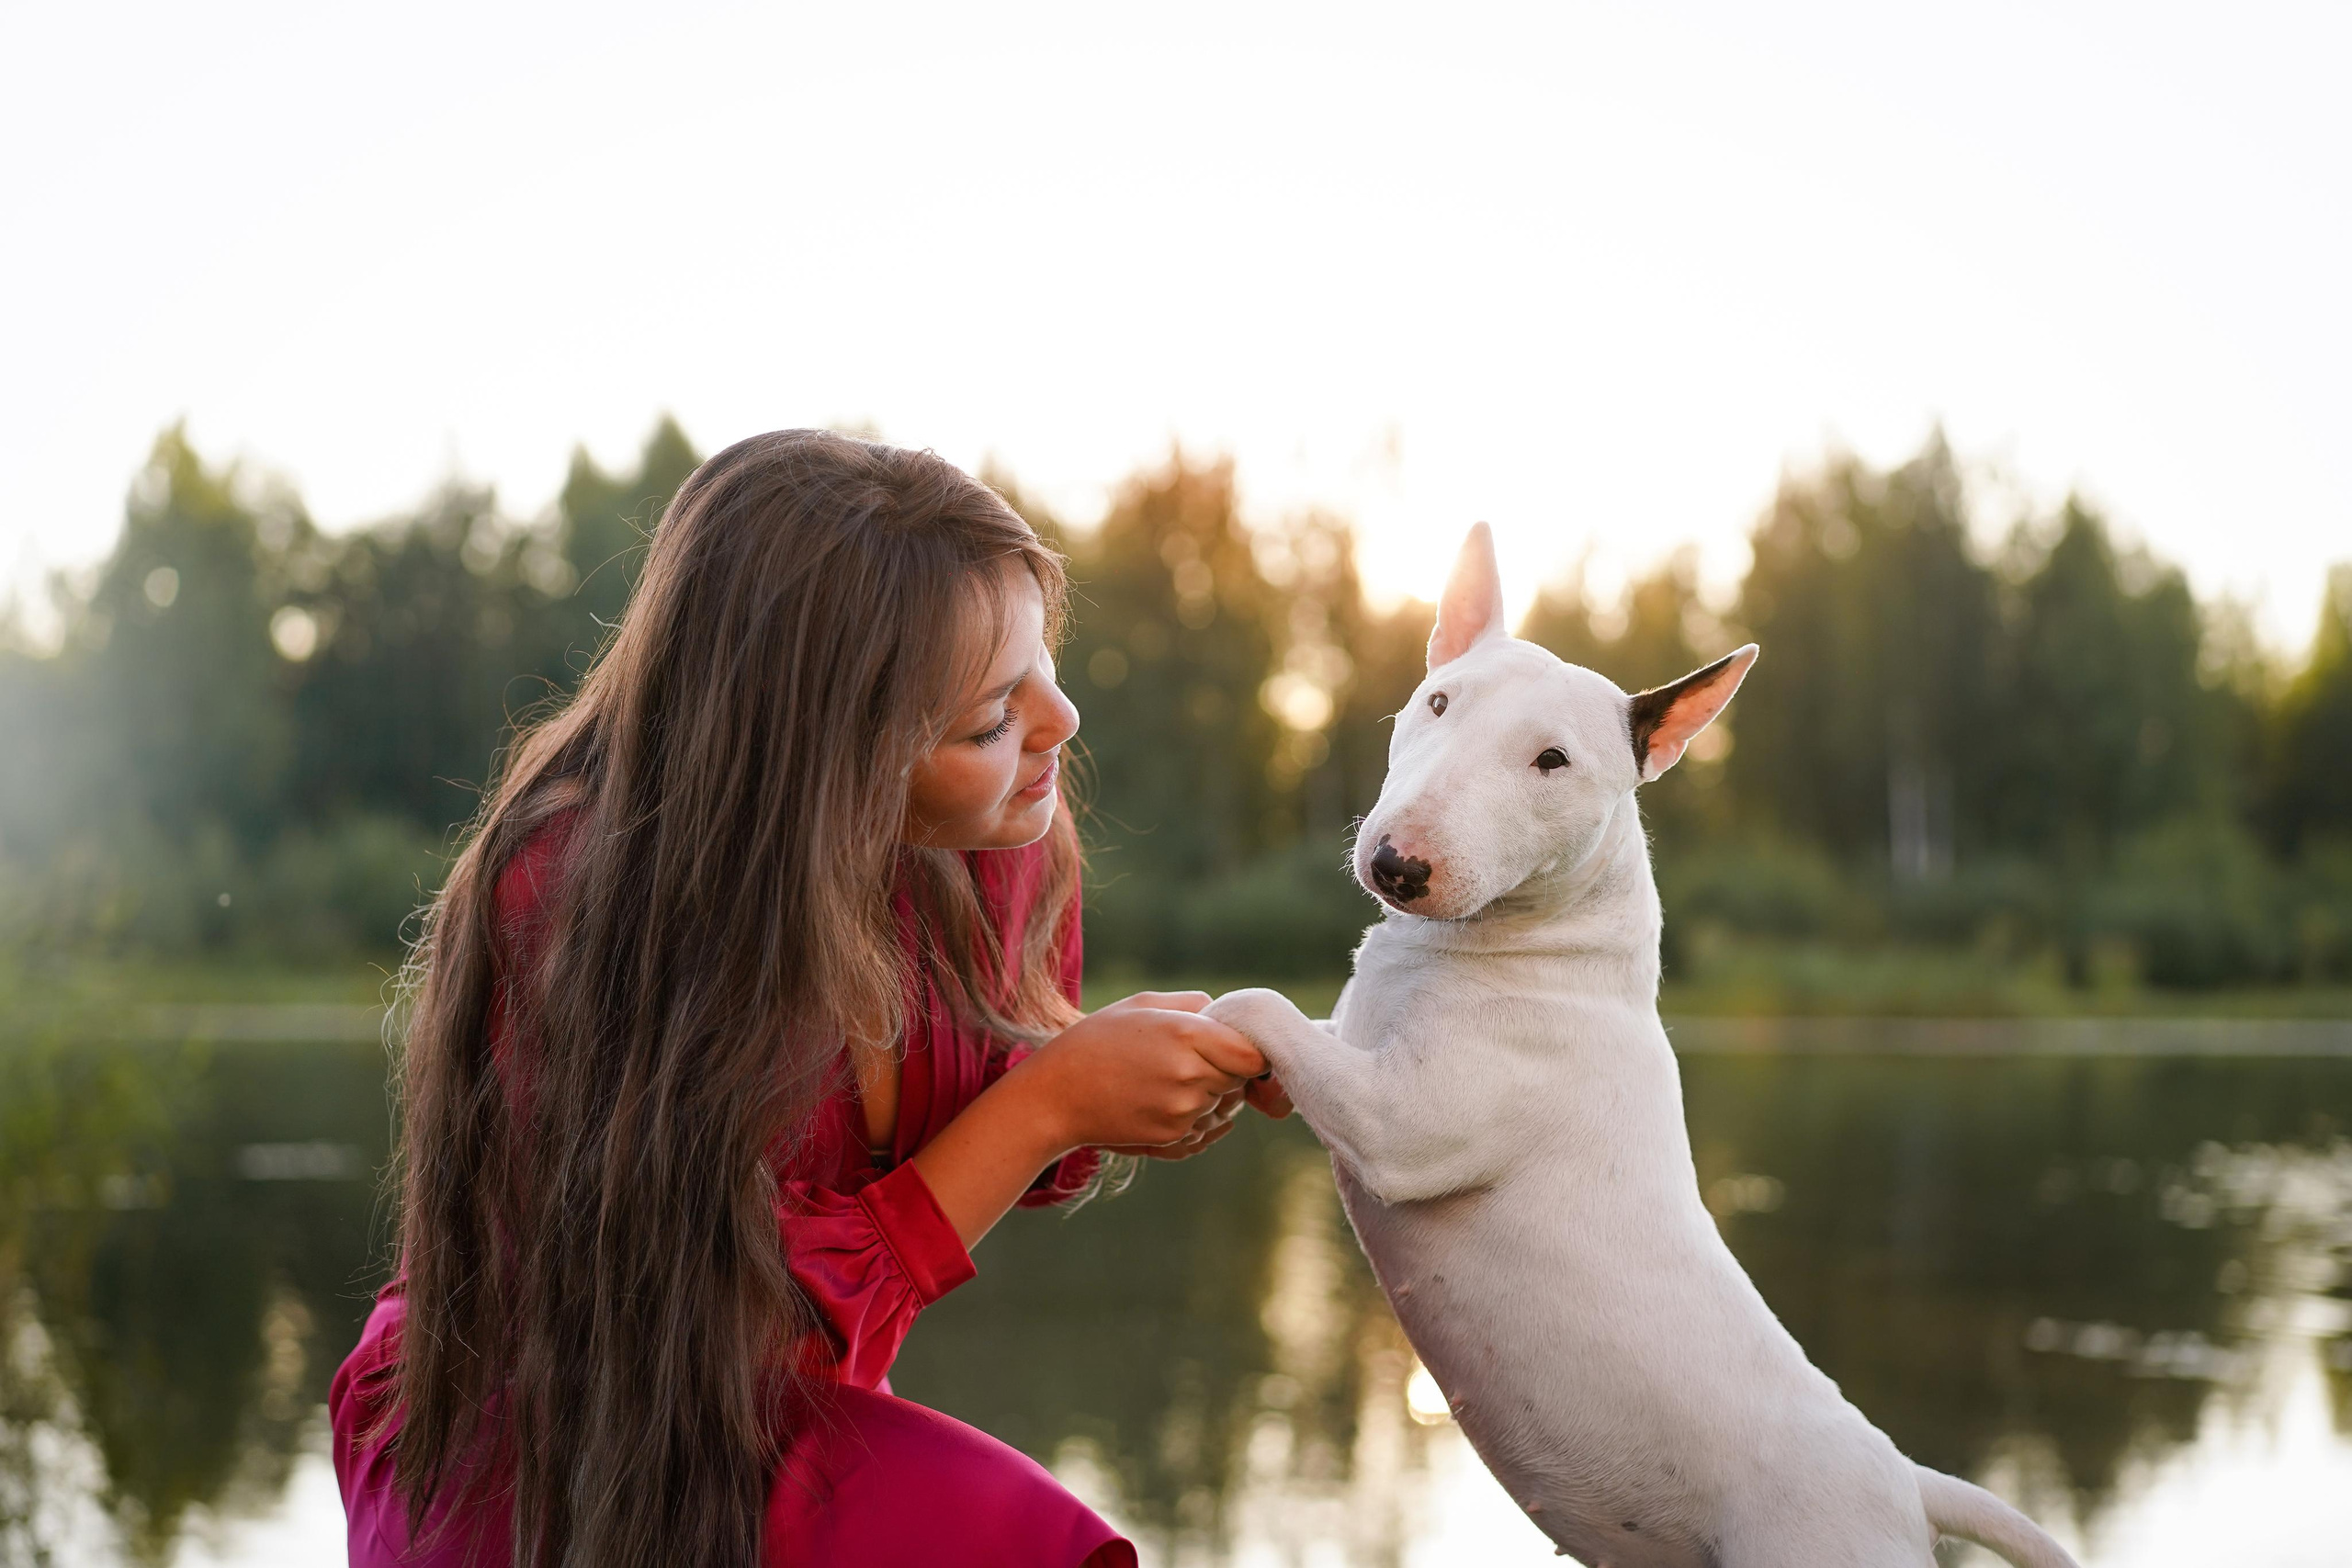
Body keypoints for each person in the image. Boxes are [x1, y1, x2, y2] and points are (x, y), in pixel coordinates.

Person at [329, 430, 1290, 1568]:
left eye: (1042, 665)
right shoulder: (584, 895)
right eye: (989, 718)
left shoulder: (996, 839)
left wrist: (1140, 1068)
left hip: (775, 1424)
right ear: (830, 757)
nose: (1058, 724)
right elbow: (730, 1334)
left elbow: (991, 1109)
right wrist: (1051, 1106)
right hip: (551, 1453)